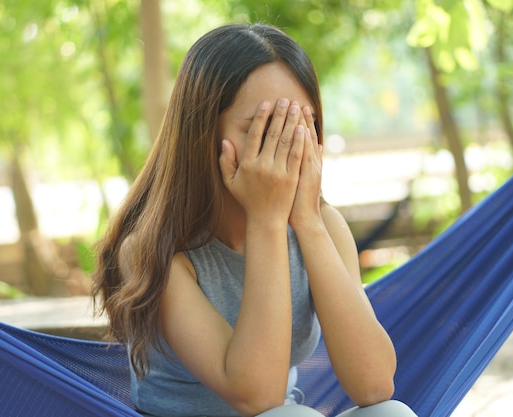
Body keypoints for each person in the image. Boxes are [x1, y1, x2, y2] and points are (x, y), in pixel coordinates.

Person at [93, 23, 418, 417]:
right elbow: (258, 397)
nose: (286, 145)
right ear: (204, 136)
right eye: (262, 128)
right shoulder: (153, 251)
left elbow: (374, 383)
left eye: (300, 124)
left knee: (390, 413)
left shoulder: (323, 227)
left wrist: (309, 222)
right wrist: (266, 219)